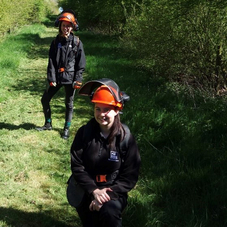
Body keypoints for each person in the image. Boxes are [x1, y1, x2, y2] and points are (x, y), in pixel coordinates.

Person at [69, 78, 141, 227]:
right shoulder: (85, 133)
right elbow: (77, 166)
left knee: (109, 213)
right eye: (98, 108)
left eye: (106, 109)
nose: (102, 114)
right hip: (85, 189)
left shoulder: (125, 137)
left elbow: (130, 176)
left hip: (113, 192)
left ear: (116, 110)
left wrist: (106, 195)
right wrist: (94, 191)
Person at [36, 10, 86, 139]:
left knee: (69, 104)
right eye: (64, 25)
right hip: (57, 78)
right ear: (60, 26)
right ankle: (48, 123)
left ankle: (66, 128)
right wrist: (51, 78)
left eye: (69, 26)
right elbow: (51, 61)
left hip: (70, 79)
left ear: (73, 27)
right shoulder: (55, 42)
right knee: (45, 99)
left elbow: (81, 64)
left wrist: (78, 80)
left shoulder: (77, 42)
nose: (66, 28)